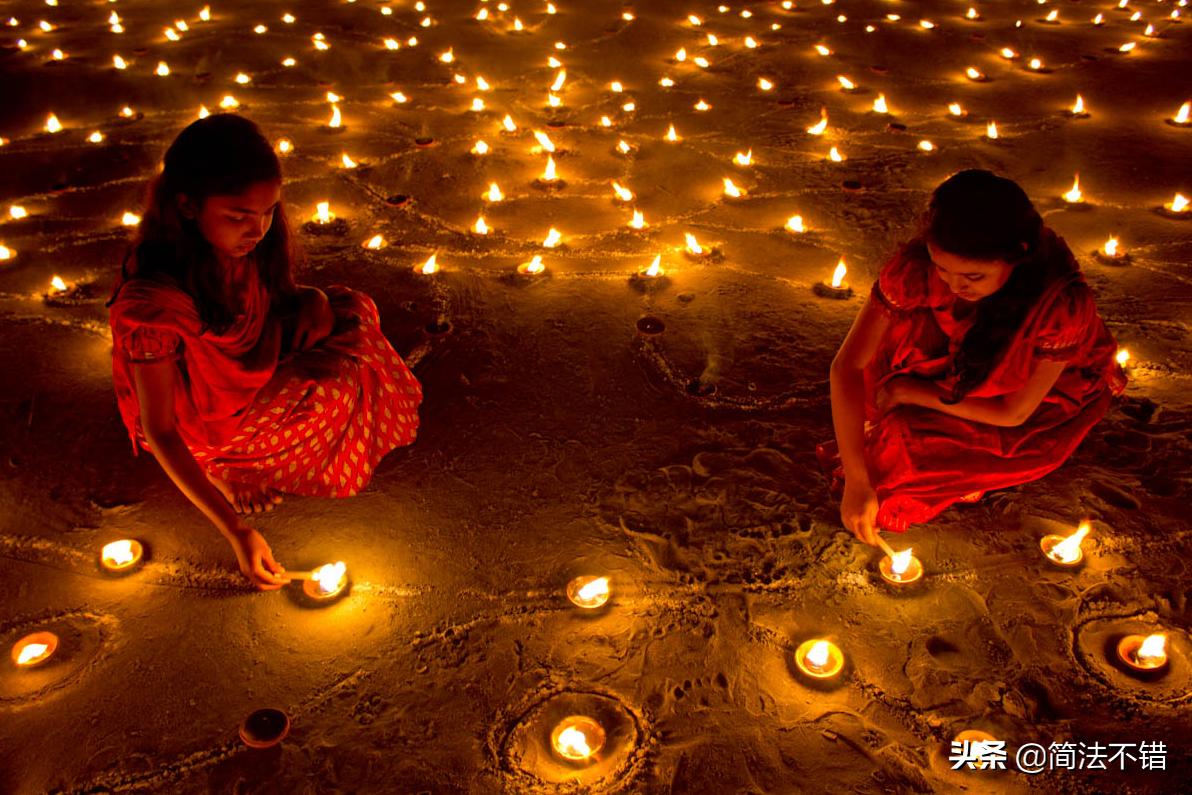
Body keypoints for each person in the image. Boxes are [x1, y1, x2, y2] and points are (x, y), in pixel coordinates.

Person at [107, 114, 423, 588]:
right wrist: (237, 530)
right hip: (199, 422)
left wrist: (305, 305)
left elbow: (265, 300)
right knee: (333, 390)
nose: (257, 230)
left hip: (241, 371)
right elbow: (161, 429)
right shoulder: (153, 305)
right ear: (187, 206)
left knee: (350, 313)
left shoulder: (241, 244)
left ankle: (242, 451)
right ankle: (225, 467)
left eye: (268, 212)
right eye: (238, 216)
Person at [823, 169, 1126, 546]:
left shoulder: (1057, 307)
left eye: (973, 276)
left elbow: (1013, 413)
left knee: (906, 464)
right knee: (870, 435)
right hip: (950, 362)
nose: (954, 284)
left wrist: (909, 391)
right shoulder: (917, 272)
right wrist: (856, 479)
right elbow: (846, 366)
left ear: (1018, 256)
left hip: (1028, 397)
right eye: (942, 267)